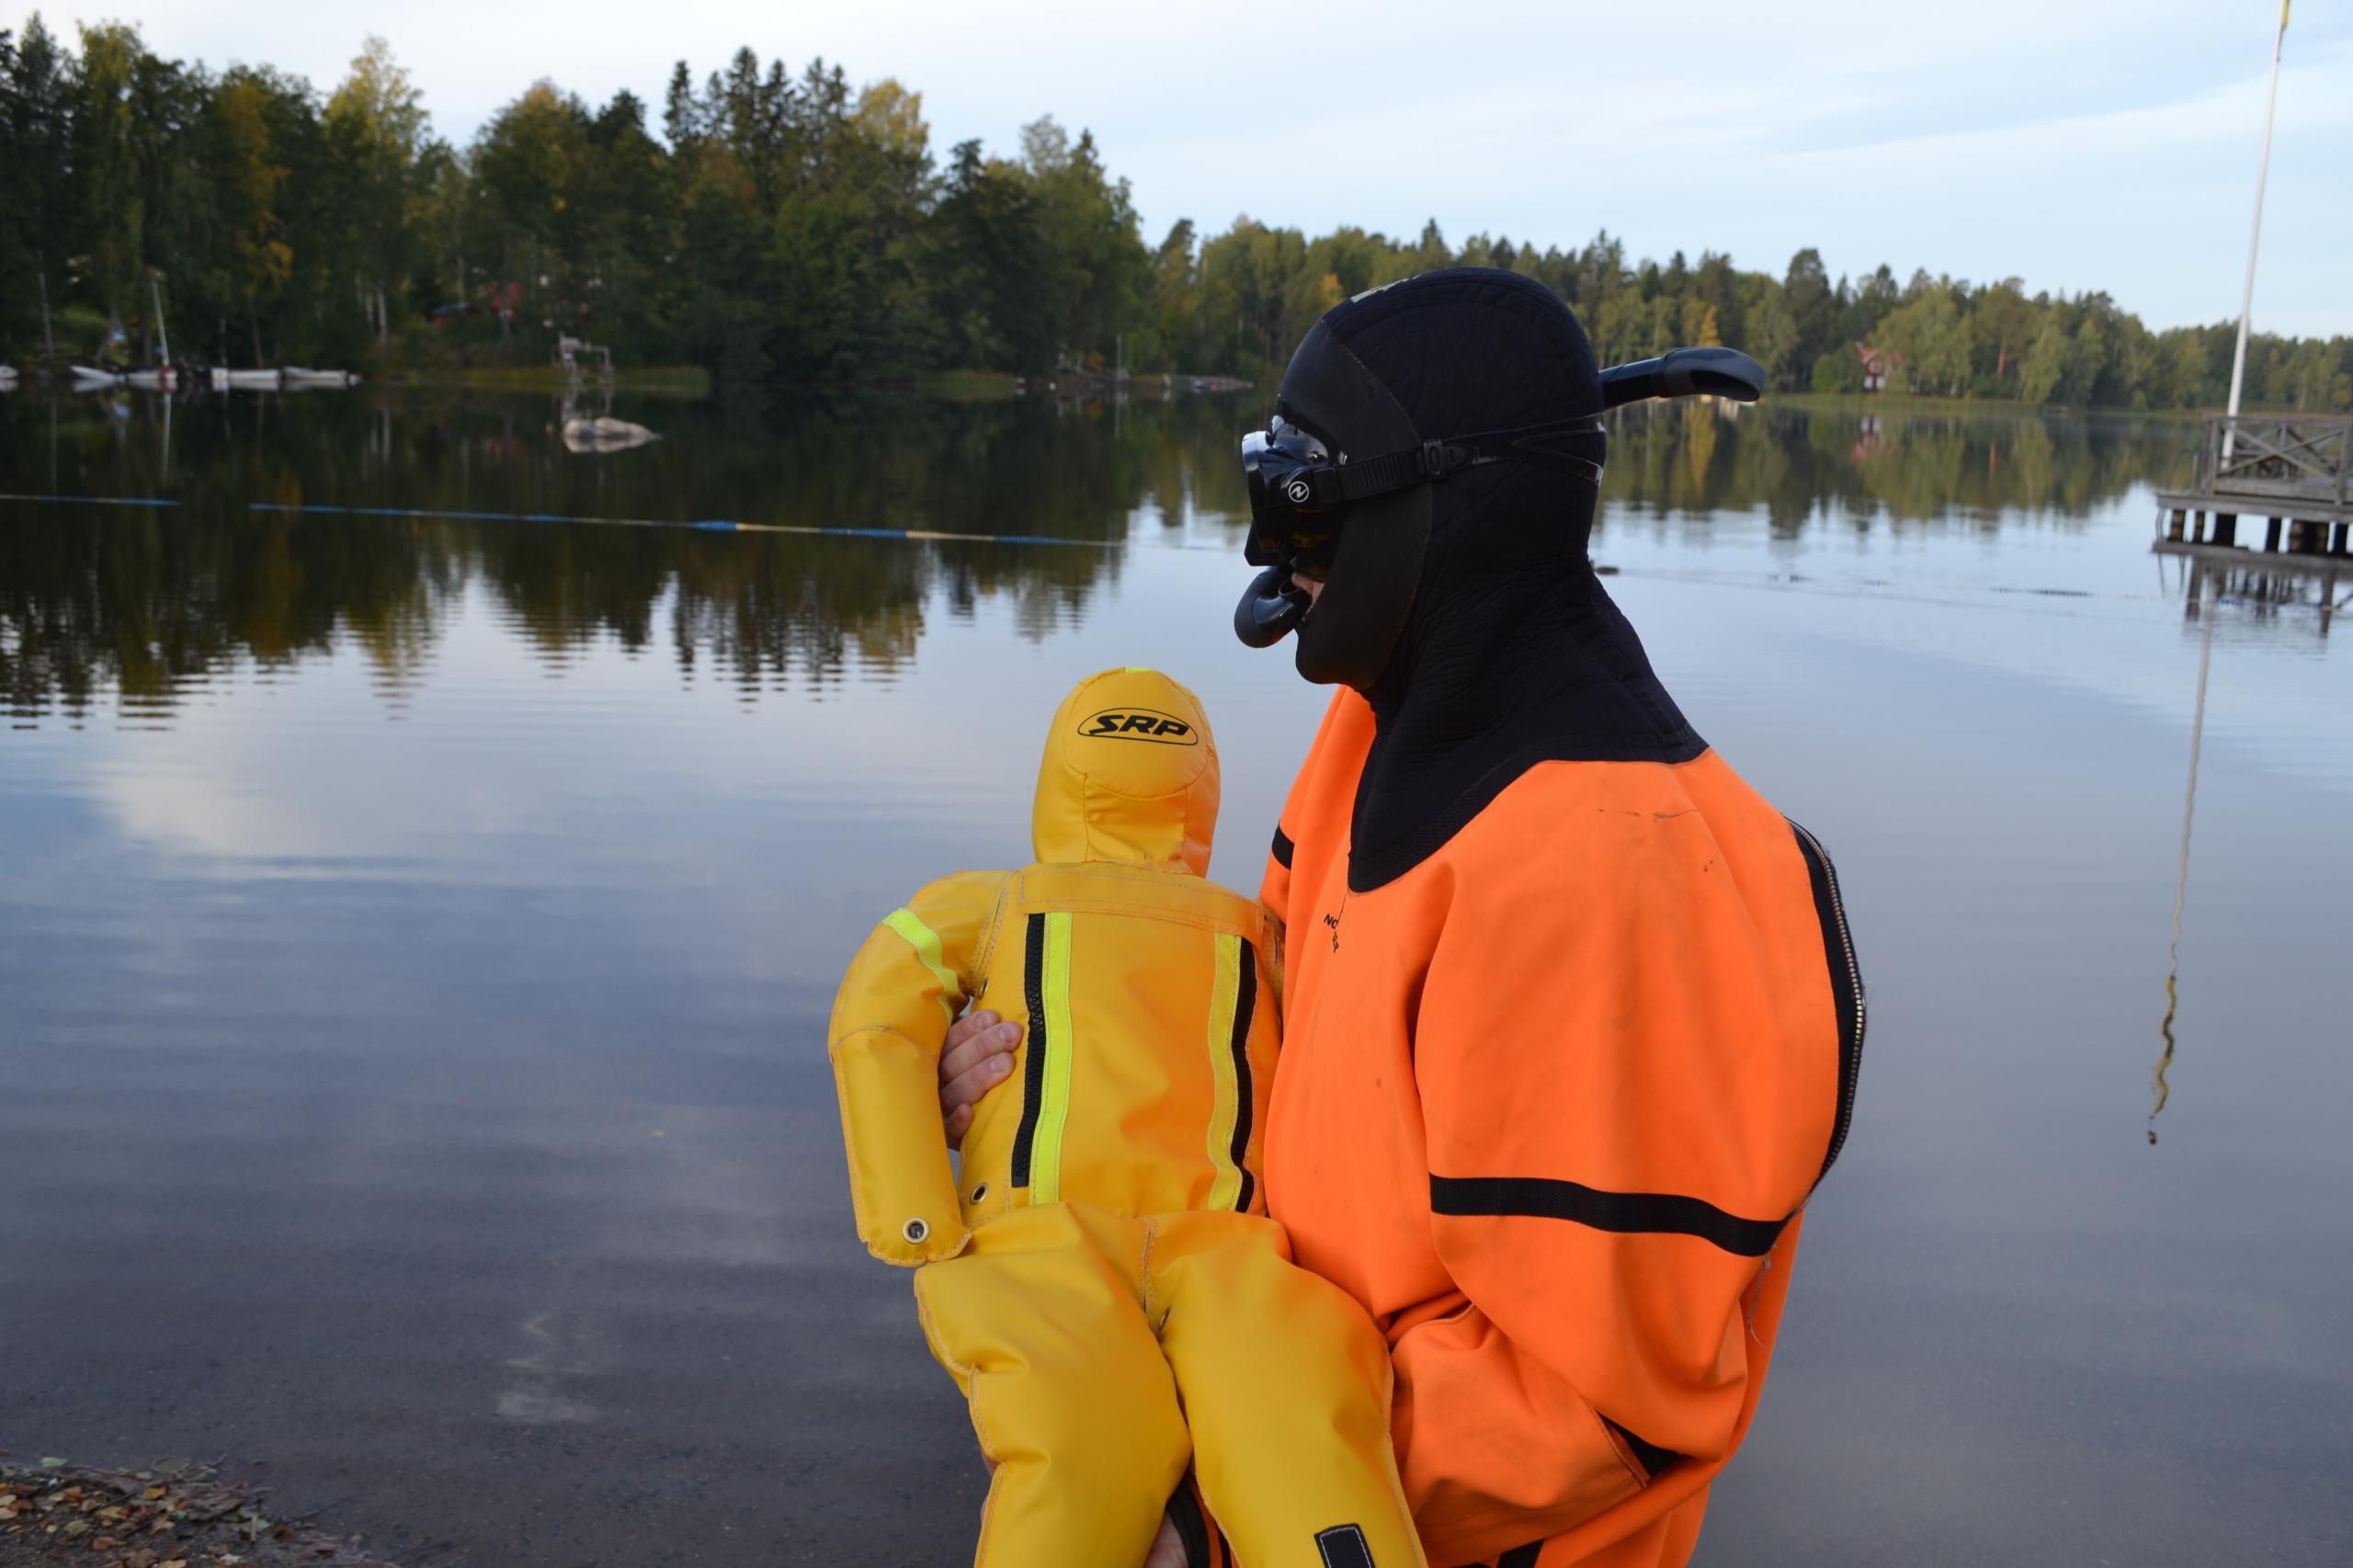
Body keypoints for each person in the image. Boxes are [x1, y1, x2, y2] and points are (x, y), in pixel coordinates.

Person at [940, 267, 1865, 1568]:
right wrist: (1042, 1096)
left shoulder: (1622, 877)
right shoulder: (1376, 727)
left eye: (1302, 516)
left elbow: (1597, 1405)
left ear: (1449, 513)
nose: (1274, 564)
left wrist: (1198, 1509)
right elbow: (1272, 1063)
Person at [832, 665, 1427, 1568]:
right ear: (1204, 795)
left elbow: (877, 1016)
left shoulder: (984, 903)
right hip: (1232, 1250)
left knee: (1071, 1444)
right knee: (1298, 1428)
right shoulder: (1267, 932)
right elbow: (1357, 1063)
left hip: (1046, 1241)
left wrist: (914, 1204)